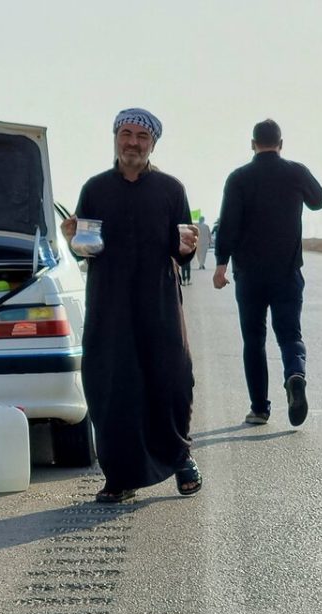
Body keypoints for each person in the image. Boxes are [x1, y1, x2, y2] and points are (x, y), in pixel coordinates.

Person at [62, 108, 201, 503]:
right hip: (111, 305)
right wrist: (73, 239)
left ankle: (180, 457)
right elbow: (88, 248)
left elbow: (182, 247)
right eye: (126, 134)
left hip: (158, 302)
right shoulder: (95, 189)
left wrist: (188, 248)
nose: (133, 143)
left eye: (142, 136)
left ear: (153, 143)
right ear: (115, 138)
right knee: (113, 386)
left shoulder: (171, 190)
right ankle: (119, 476)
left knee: (172, 380)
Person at [213, 119, 322, 426]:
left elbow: (228, 224)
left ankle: (260, 408)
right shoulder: (296, 172)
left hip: (249, 275)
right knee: (290, 335)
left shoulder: (238, 178)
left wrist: (220, 266)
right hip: (287, 272)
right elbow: (319, 200)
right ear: (281, 143)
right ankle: (295, 375)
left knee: (254, 340)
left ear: (252, 144)